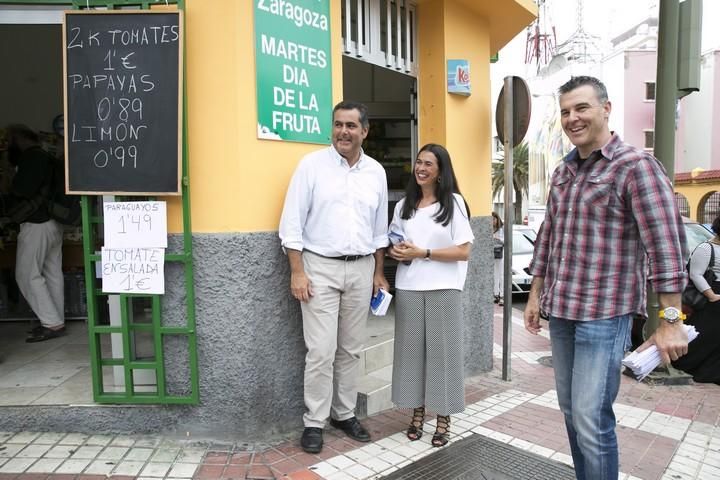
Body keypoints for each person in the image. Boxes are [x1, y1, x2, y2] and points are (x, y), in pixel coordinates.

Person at [523, 76, 689, 480]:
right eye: (565, 111)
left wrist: (671, 322)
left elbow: (665, 245)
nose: (572, 118)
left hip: (605, 314)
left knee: (591, 418)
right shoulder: (564, 173)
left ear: (606, 109)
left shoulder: (636, 166)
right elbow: (549, 236)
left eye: (581, 108)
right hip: (562, 311)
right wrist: (534, 294)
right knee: (571, 413)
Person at [279, 101, 390, 454]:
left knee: (351, 349)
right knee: (321, 350)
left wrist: (378, 272)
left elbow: (379, 231)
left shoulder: (376, 173)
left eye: (351, 126)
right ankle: (315, 421)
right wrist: (297, 271)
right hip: (319, 268)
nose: (344, 131)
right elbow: (291, 224)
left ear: (364, 131)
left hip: (361, 268)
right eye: (338, 125)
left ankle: (344, 413)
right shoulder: (311, 167)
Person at [387, 143, 473, 447]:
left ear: (440, 171)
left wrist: (423, 252)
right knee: (411, 357)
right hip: (409, 286)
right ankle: (417, 414)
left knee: (443, 357)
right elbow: (394, 241)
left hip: (443, 288)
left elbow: (463, 251)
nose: (421, 169)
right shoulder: (403, 206)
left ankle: (444, 419)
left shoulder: (453, 203)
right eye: (419, 163)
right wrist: (397, 251)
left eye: (429, 165)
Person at [3, 124, 65, 343]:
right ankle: (56, 320)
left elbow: (22, 189)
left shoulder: (31, 158)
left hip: (36, 223)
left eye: (9, 140)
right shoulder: (47, 157)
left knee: (26, 274)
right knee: (52, 273)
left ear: (18, 139)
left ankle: (51, 322)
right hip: (54, 222)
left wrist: (10, 179)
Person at [672, 215, 720, 384]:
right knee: (705, 337)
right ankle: (689, 367)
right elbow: (696, 274)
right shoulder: (706, 248)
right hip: (712, 299)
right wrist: (712, 296)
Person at [491, 211, 504, 306]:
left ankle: (502, 295)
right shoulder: (490, 229)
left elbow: (505, 240)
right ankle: (496, 294)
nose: (492, 221)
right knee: (495, 274)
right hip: (493, 254)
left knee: (501, 275)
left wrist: (498, 239)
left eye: (494, 219)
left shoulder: (502, 229)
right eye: (491, 219)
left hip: (501, 253)